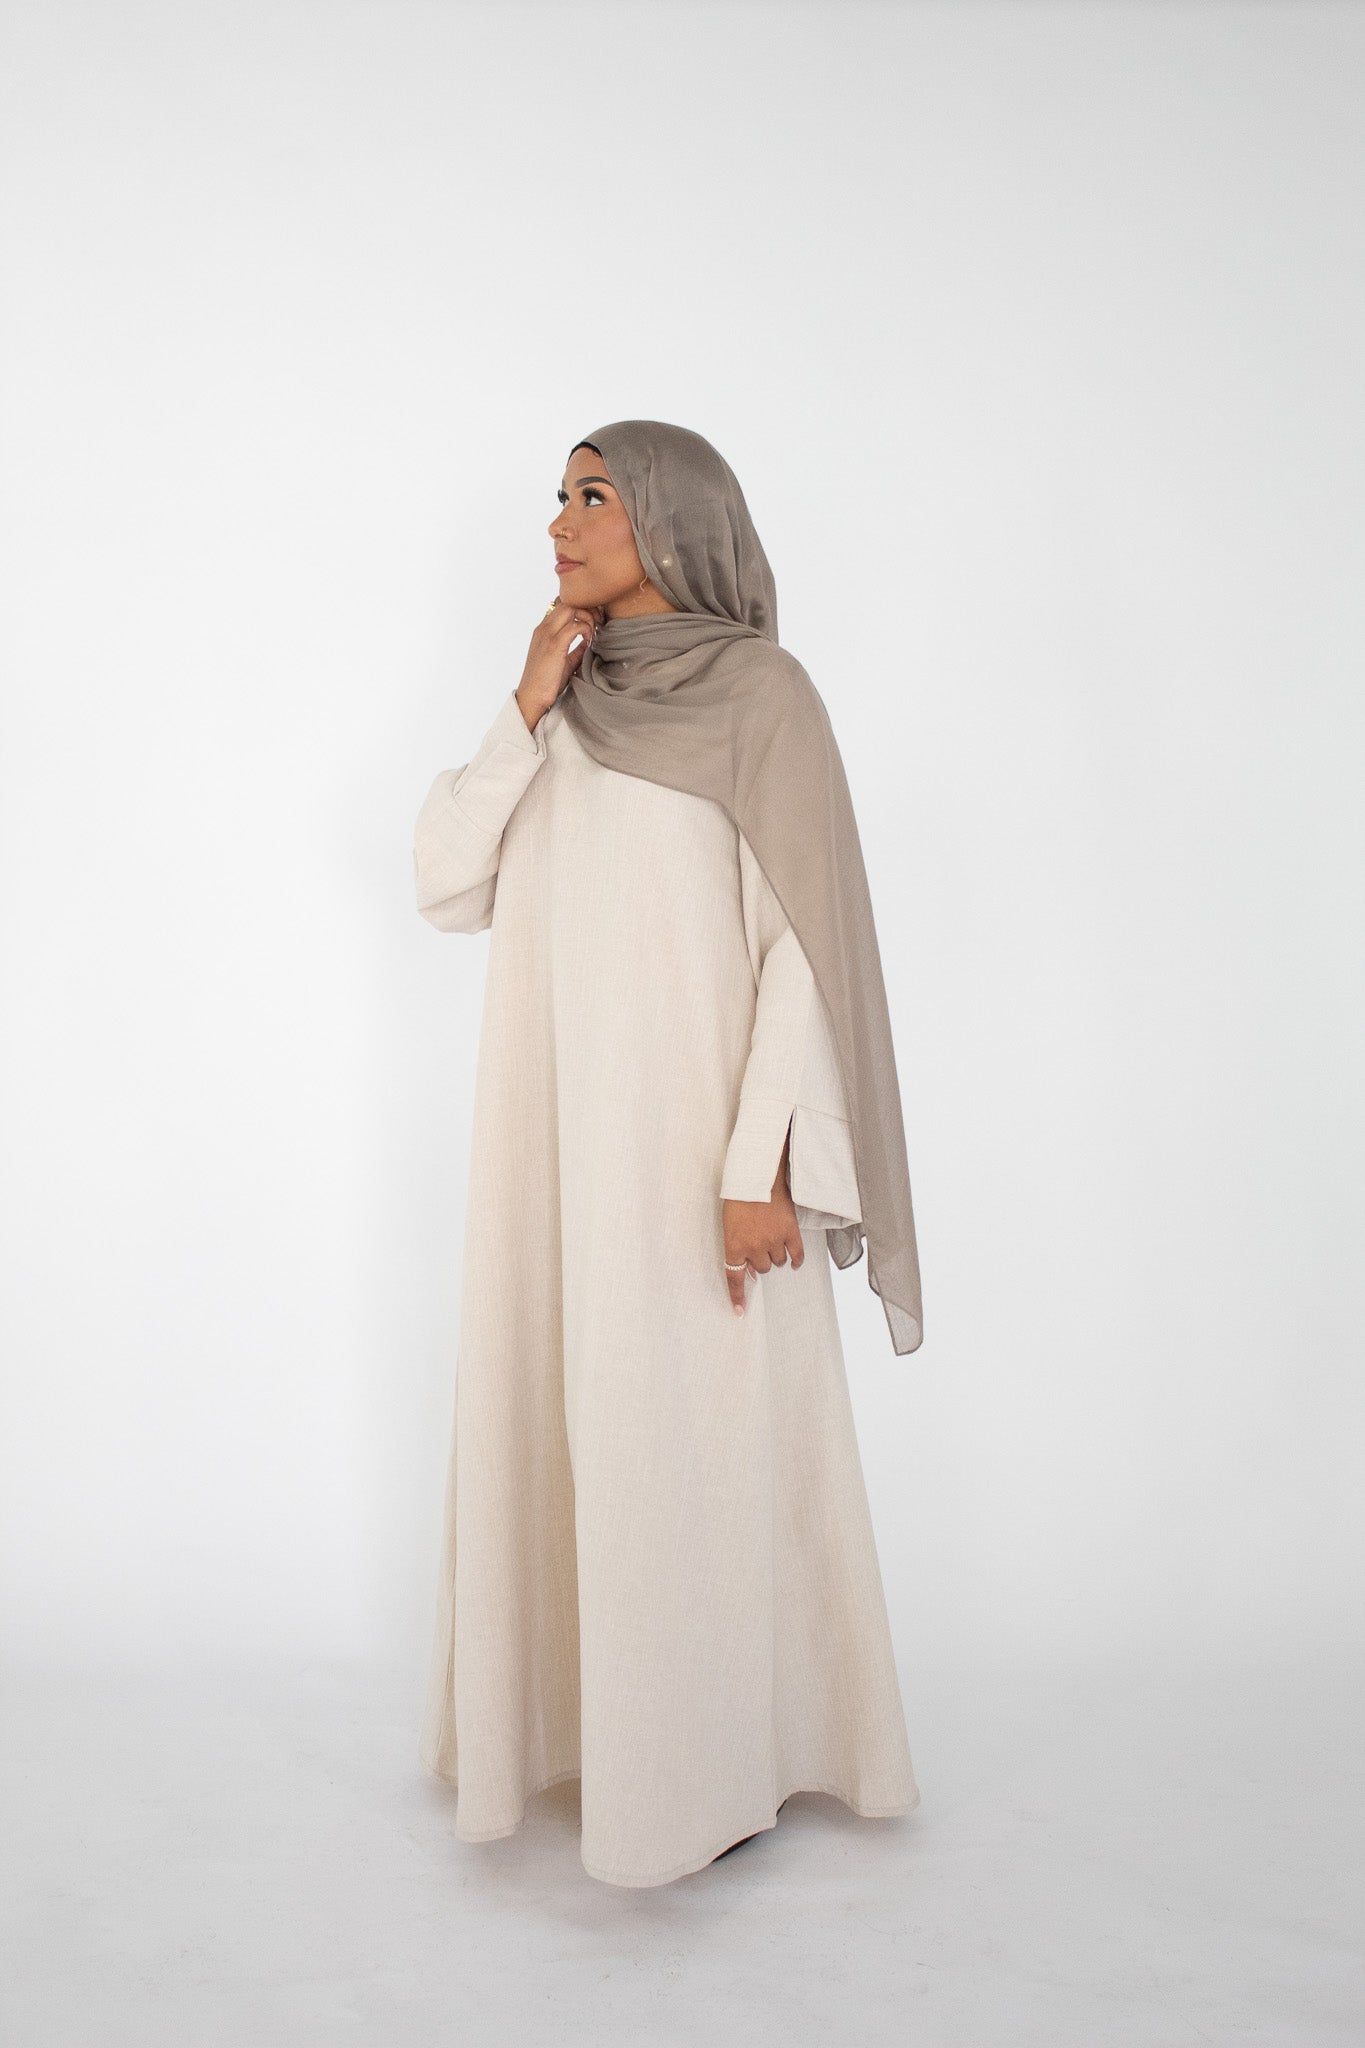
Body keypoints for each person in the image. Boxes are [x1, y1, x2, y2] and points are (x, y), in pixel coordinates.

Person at [413, 420, 923, 1889]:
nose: (560, 522)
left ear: (674, 518)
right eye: (558, 496)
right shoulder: (566, 703)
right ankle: (597, 1745)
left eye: (594, 496)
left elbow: (798, 953)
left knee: (697, 1450)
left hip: (699, 1155)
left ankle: (716, 1774)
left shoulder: (763, 699)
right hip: (559, 1153)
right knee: (585, 1433)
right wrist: (522, 705)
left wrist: (758, 1165)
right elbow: (445, 886)